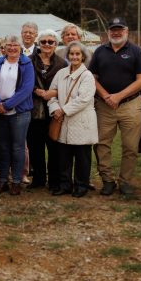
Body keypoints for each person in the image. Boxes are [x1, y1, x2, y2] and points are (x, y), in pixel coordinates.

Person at [89, 17, 141, 197]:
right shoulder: (100, 52)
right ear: (108, 32)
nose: (116, 32)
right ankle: (107, 180)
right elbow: (92, 77)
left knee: (130, 146)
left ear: (126, 31)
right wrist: (107, 96)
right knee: (101, 144)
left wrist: (119, 96)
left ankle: (125, 182)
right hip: (105, 106)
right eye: (113, 29)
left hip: (130, 105)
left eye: (119, 29)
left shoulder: (136, 52)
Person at [47, 41, 97, 197]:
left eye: (78, 54)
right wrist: (55, 109)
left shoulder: (87, 75)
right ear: (68, 55)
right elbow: (52, 93)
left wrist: (63, 110)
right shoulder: (61, 73)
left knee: (82, 157)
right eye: (72, 53)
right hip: (63, 121)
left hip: (81, 121)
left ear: (83, 57)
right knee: (64, 157)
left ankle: (81, 186)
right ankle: (65, 185)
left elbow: (83, 99)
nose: (74, 56)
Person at [0, 34, 35, 195]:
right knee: (3, 147)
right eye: (9, 45)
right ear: (4, 47)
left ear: (20, 47)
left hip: (19, 112)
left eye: (15, 45)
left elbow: (26, 88)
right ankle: (3, 180)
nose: (12, 48)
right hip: (0, 111)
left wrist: (8, 105)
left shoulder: (26, 63)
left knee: (18, 147)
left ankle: (16, 181)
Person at [27, 29, 64, 191]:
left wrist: (53, 92)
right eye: (44, 42)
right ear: (38, 44)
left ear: (56, 44)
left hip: (54, 109)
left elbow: (66, 85)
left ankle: (55, 180)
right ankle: (38, 179)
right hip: (34, 109)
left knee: (54, 146)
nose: (47, 44)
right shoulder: (28, 61)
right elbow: (23, 82)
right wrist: (37, 90)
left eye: (51, 42)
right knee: (35, 147)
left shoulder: (63, 63)